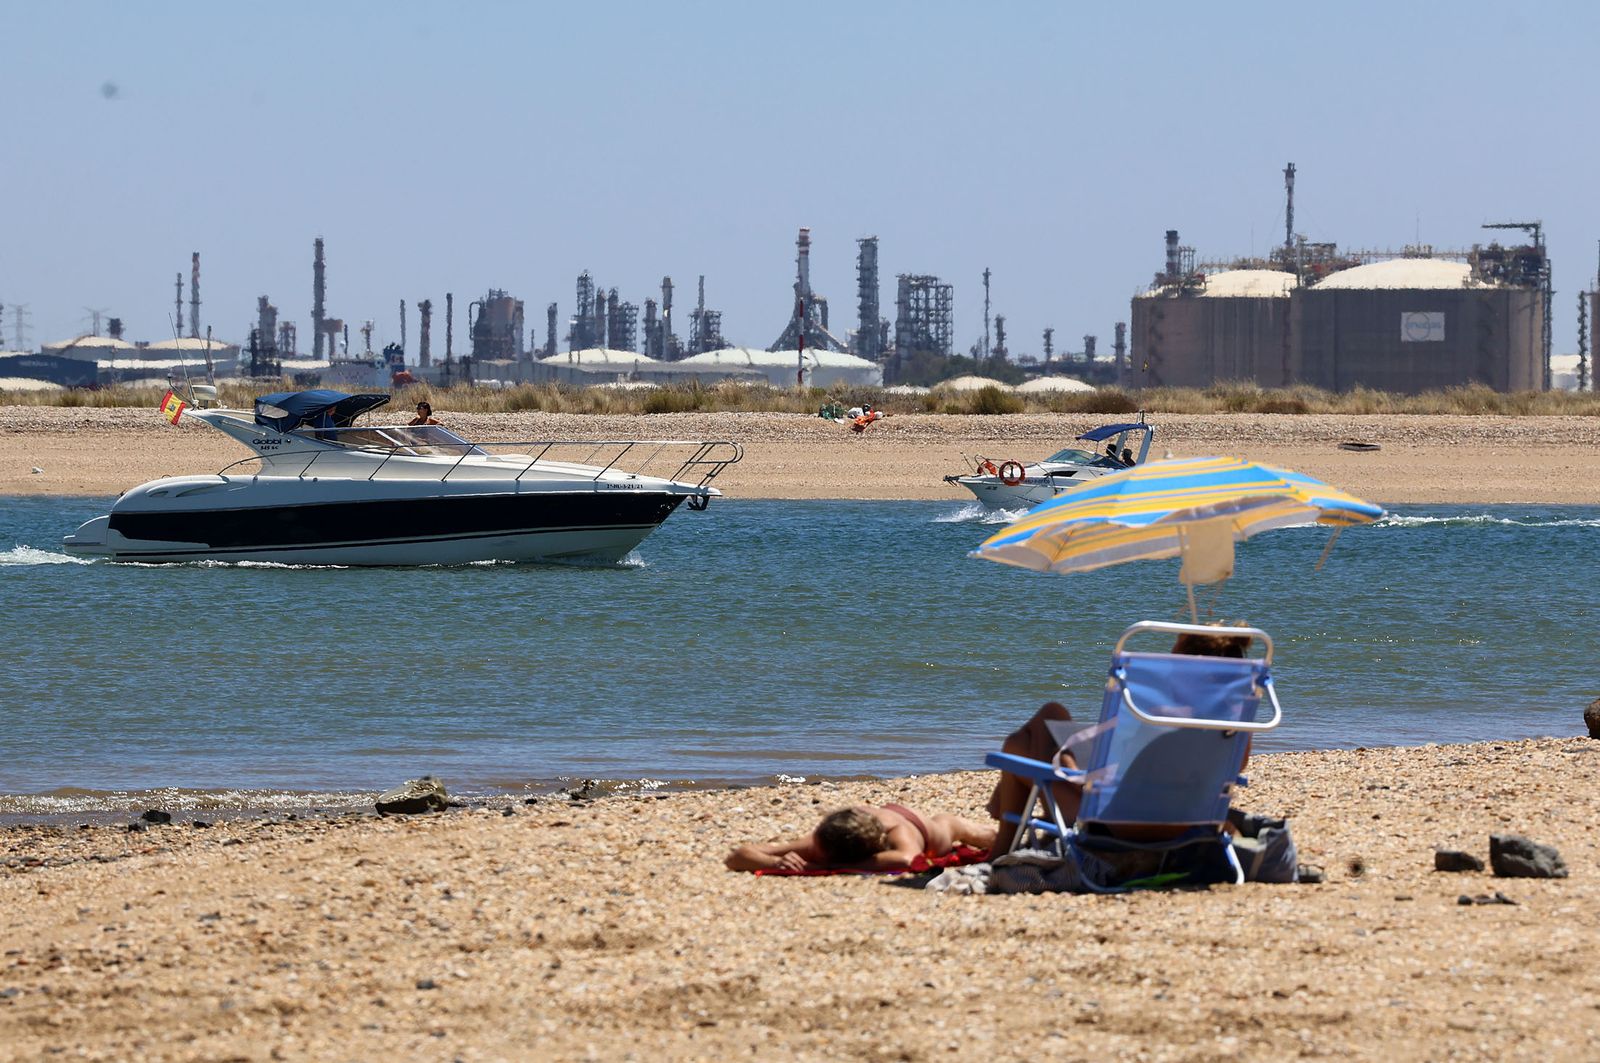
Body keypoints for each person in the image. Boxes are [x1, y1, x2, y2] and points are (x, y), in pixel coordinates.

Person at [986, 625, 1253, 852]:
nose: (1168, 667)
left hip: (1115, 827)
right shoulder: (1234, 727)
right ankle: (999, 837)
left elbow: (1109, 785)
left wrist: (1070, 765)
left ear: (1187, 669)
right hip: (1190, 821)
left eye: (1173, 660)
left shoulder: (1160, 717)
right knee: (1048, 719)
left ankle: (1000, 849)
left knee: (1022, 742)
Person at [724, 802, 996, 872]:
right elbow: (738, 856)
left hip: (924, 827)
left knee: (975, 833)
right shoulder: (825, 839)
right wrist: (772, 864)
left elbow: (907, 858)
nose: (812, 854)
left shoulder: (898, 834)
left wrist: (824, 867)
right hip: (869, 820)